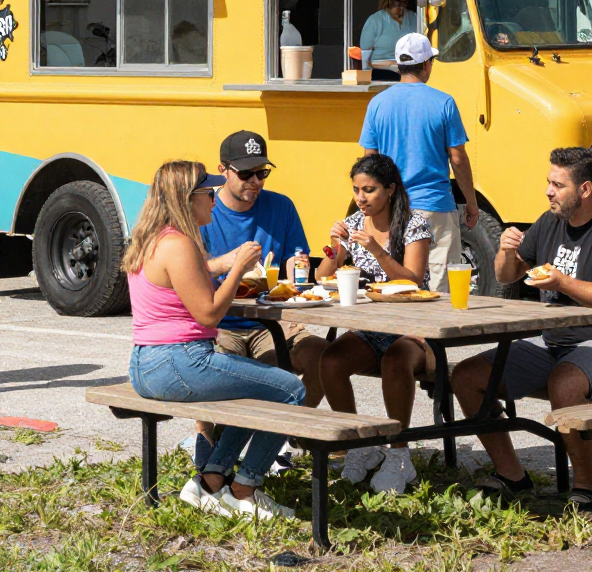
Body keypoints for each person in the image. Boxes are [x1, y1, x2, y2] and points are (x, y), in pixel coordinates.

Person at [452, 147, 592, 518]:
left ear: (584, 189)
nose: (549, 192)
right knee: (467, 376)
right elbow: (509, 275)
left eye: (557, 184)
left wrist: (562, 280)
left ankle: (587, 488)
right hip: (552, 341)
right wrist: (507, 251)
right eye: (548, 183)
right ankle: (513, 476)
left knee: (565, 383)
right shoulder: (549, 221)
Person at [125, 160, 305, 521]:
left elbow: (197, 274)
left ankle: (211, 479)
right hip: (180, 361)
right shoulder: (180, 244)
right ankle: (245, 489)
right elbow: (208, 315)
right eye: (207, 193)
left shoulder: (154, 238)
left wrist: (227, 264)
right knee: (290, 390)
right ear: (186, 199)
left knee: (256, 388)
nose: (213, 199)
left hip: (146, 363)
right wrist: (238, 267)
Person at [190, 130, 328, 470]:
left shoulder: (280, 206)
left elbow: (296, 258)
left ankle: (284, 433)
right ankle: (213, 446)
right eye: (246, 173)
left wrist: (299, 265)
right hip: (222, 322)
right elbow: (188, 273)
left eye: (262, 172)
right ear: (223, 170)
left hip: (272, 319)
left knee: (324, 357)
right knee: (222, 375)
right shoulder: (205, 211)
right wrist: (229, 265)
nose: (255, 181)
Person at [317, 153, 436, 494]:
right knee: (331, 359)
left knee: (396, 361)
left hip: (415, 329)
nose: (360, 198)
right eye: (356, 189)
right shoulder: (353, 222)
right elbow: (322, 277)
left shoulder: (414, 225)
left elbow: (412, 281)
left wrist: (377, 250)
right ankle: (360, 446)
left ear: (391, 190)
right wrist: (334, 248)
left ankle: (399, 454)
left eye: (369, 190)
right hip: (372, 327)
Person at [358, 31, 478, 290]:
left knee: (401, 283)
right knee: (439, 288)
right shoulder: (444, 102)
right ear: (426, 64)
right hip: (435, 207)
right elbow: (458, 159)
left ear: (399, 66)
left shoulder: (377, 104)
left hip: (393, 209)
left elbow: (370, 163)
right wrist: (471, 201)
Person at [360, 0, 417, 80]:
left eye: (404, 3)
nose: (400, 8)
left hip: (410, 73)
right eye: (397, 3)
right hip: (382, 74)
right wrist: (390, 65)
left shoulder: (415, 18)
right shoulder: (375, 21)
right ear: (389, 0)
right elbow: (364, 61)